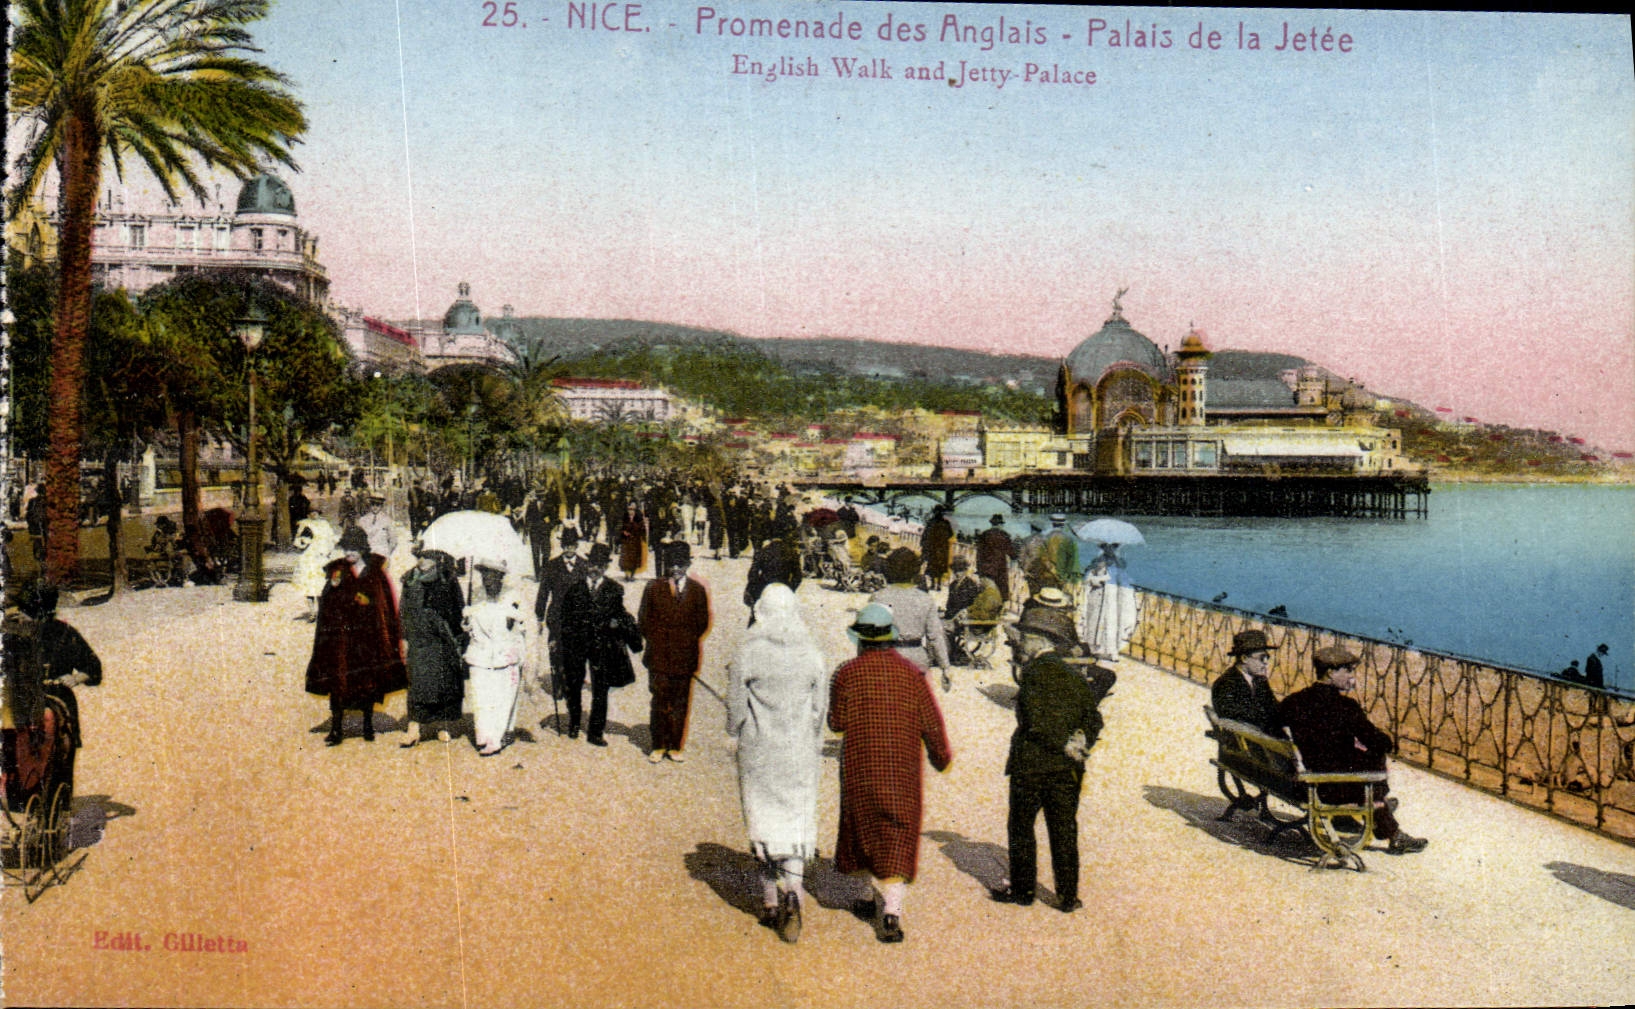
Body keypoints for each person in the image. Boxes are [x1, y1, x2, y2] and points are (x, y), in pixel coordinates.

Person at [828, 603, 953, 944]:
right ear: (891, 639)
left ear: (860, 640)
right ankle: (892, 911)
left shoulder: (846, 673)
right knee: (898, 831)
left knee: (861, 826)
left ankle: (864, 897)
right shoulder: (912, 675)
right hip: (901, 768)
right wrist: (941, 757)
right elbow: (932, 723)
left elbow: (836, 723)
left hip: (860, 765)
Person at [726, 584, 830, 943]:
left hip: (759, 749)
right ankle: (794, 893)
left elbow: (736, 707)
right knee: (795, 821)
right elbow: (819, 709)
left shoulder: (749, 651)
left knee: (763, 819)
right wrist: (808, 733)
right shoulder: (811, 652)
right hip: (798, 750)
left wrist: (732, 732)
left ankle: (770, 901)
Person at [989, 603, 1109, 913]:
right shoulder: (1073, 674)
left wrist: (1062, 743)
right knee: (1064, 830)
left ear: (1040, 641)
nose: (1020, 643)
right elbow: (1094, 718)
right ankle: (1067, 897)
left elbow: (1034, 722)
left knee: (1021, 827)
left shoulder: (1032, 674)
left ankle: (1023, 891)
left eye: (1025, 638)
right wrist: (1081, 739)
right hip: (1067, 769)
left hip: (1032, 764)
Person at [1276, 645, 1428, 854]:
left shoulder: (1293, 701)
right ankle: (1386, 821)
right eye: (1347, 670)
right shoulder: (1346, 707)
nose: (1351, 676)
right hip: (1329, 787)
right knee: (1373, 758)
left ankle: (1378, 806)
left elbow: (1274, 726)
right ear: (1331, 672)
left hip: (1302, 782)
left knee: (1360, 759)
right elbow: (1380, 743)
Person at [306, 526, 406, 746]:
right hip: (342, 637)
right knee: (339, 681)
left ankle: (367, 725)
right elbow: (327, 602)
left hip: (368, 636)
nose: (349, 552)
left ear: (362, 549)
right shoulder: (337, 570)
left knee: (367, 680)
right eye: (346, 548)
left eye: (353, 548)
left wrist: (368, 603)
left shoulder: (375, 572)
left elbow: (384, 603)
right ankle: (336, 729)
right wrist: (335, 592)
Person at [559, 542, 642, 746]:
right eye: (592, 564)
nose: (594, 569)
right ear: (587, 565)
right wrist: (562, 641)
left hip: (602, 645)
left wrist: (617, 623)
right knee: (574, 684)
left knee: (600, 688)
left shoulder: (614, 590)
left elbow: (620, 614)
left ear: (606, 567)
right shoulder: (575, 589)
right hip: (578, 644)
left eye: (600, 565)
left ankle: (595, 731)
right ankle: (574, 722)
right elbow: (565, 619)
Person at [638, 542, 712, 763]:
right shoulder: (653, 587)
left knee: (680, 702)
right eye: (672, 564)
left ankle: (675, 746)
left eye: (681, 564)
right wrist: (659, 641)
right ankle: (659, 745)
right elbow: (644, 620)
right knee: (660, 700)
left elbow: (702, 623)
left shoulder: (697, 591)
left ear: (688, 565)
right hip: (659, 655)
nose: (676, 568)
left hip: (684, 656)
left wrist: (683, 641)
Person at [399, 547, 466, 748]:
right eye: (419, 556)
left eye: (427, 556)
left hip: (442, 639)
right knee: (418, 682)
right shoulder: (410, 579)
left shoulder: (448, 579)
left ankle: (442, 725)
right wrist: (403, 636)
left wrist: (458, 636)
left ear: (437, 559)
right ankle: (413, 728)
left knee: (443, 682)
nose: (422, 560)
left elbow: (458, 609)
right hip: (418, 637)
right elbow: (403, 610)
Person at [463, 559, 530, 756]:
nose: (487, 581)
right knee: (480, 697)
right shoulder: (475, 595)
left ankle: (496, 739)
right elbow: (469, 626)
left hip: (505, 655)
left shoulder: (513, 596)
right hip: (479, 655)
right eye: (484, 576)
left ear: (500, 577)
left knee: (502, 698)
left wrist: (515, 622)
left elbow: (524, 626)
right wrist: (466, 622)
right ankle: (483, 737)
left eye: (492, 576)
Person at [870, 548, 952, 691]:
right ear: (915, 570)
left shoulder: (878, 597)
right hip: (916, 658)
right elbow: (936, 637)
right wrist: (945, 667)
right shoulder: (925, 599)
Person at [1210, 629, 1280, 732]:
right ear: (1244, 658)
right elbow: (1238, 718)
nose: (1266, 663)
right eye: (1261, 658)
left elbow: (1275, 708)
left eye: (1267, 657)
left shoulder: (1260, 681)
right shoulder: (1224, 684)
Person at [1079, 541, 1137, 661]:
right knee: (1094, 623)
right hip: (1097, 596)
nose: (1110, 549)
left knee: (1112, 624)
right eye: (1107, 547)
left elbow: (1125, 581)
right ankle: (1094, 649)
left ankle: (1110, 650)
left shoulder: (1119, 563)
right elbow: (1087, 578)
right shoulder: (1097, 561)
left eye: (1113, 547)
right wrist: (1098, 580)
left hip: (1113, 599)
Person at [975, 514, 1016, 603]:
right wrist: (1014, 558)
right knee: (1001, 588)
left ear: (992, 524)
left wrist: (978, 567)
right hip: (1000, 566)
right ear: (1000, 524)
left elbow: (979, 553)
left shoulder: (985, 534)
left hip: (986, 566)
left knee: (987, 589)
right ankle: (1001, 604)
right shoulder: (1004, 535)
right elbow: (1011, 551)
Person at [1042, 513, 1081, 591]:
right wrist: (1065, 576)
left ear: (1052, 524)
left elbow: (1043, 558)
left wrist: (1052, 571)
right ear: (1063, 525)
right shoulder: (1068, 539)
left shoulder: (1045, 538)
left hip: (1048, 574)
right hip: (1062, 577)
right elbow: (1071, 561)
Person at [920, 506, 955, 589]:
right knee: (940, 567)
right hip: (942, 549)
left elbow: (925, 535)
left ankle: (933, 584)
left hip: (932, 548)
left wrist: (924, 545)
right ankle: (938, 584)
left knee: (932, 566)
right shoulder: (946, 523)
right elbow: (950, 534)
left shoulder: (931, 522)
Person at [357, 493, 397, 560]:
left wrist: (387, 553)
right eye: (373, 504)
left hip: (382, 554)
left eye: (378, 505)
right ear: (370, 505)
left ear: (381, 506)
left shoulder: (387, 520)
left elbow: (393, 540)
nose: (375, 507)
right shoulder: (363, 520)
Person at [618, 502, 647, 582]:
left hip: (635, 541)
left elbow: (643, 530)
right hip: (626, 542)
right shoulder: (624, 518)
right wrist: (623, 532)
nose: (631, 511)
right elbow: (619, 527)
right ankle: (627, 574)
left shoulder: (639, 519)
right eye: (629, 509)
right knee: (626, 559)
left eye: (633, 509)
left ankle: (632, 574)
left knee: (635, 559)